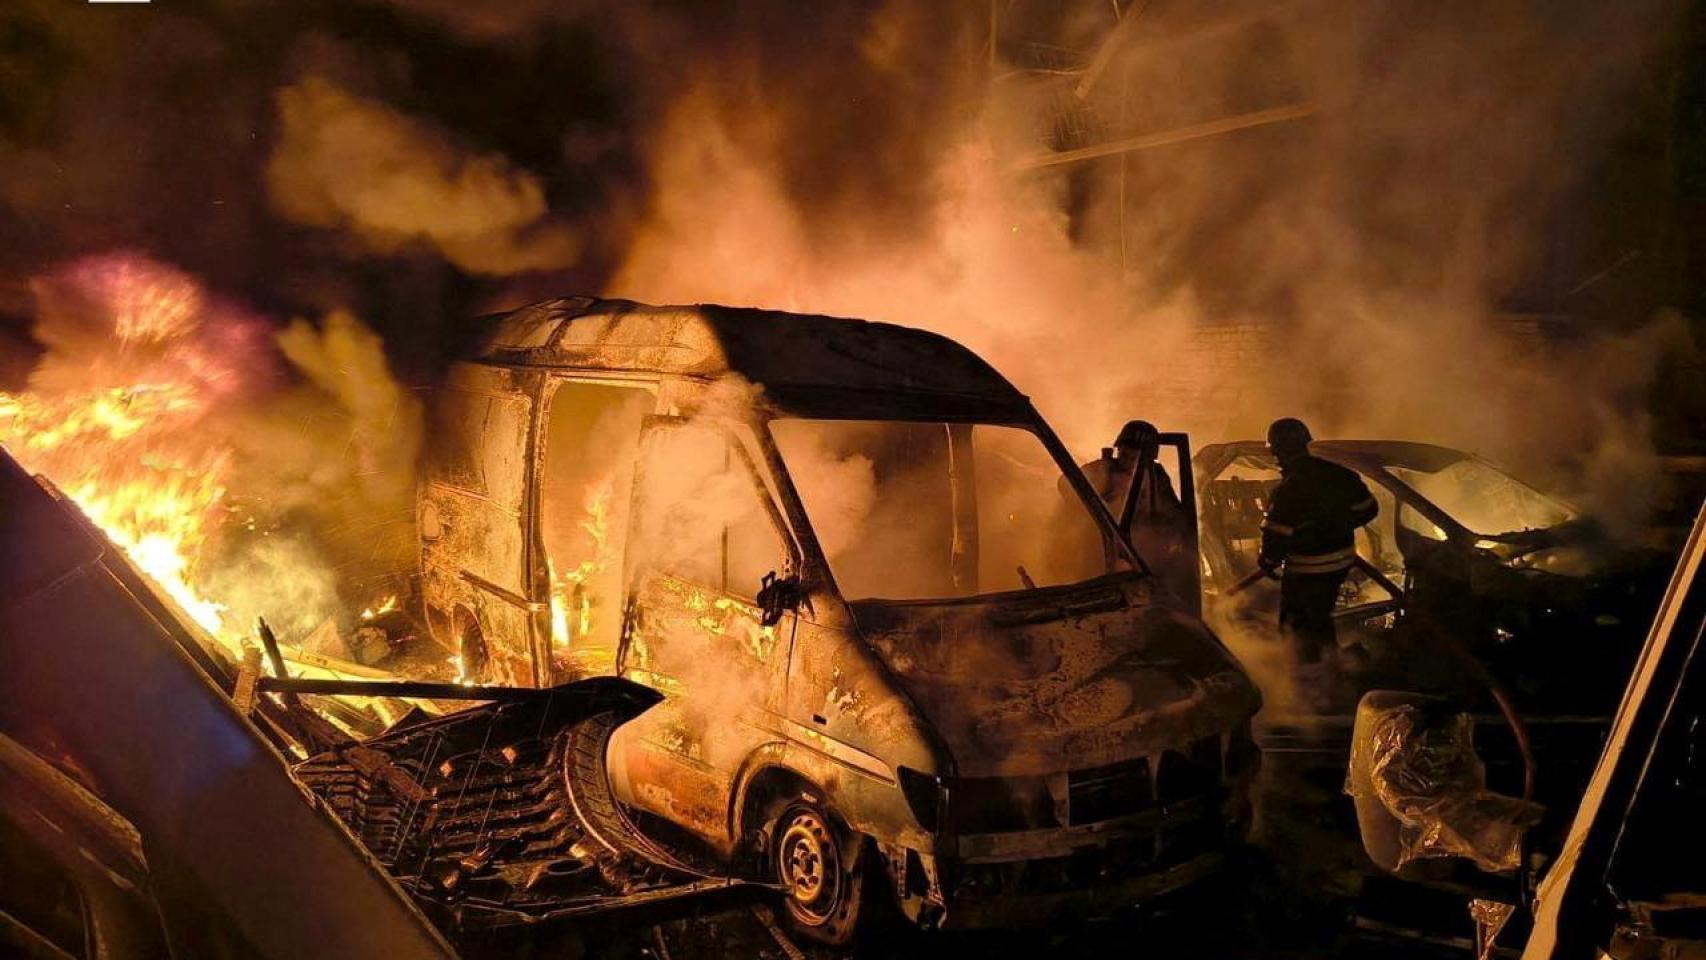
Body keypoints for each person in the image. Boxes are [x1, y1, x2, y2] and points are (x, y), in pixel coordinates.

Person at [1258, 417, 1379, 706]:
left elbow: (1275, 538)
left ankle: (1310, 693)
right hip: (1340, 564)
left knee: (1296, 629)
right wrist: (1337, 524)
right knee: (1320, 620)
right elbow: (1368, 509)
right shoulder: (1339, 475)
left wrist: (1267, 560)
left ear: (1277, 451)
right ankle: (1340, 666)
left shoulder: (1288, 491)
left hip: (1307, 569)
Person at [1074, 420, 1194, 605]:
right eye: (1123, 454)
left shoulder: (1156, 475)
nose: (1126, 461)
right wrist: (1100, 489)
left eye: (1133, 458)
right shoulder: (1104, 469)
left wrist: (1175, 539)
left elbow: (1174, 512)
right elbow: (1066, 485)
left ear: (1148, 458)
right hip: (1103, 553)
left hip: (1144, 556)